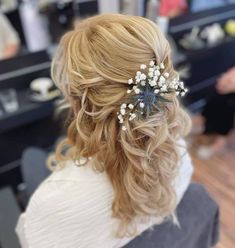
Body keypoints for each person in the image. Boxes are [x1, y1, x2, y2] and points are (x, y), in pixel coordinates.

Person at [16, 14, 193, 248]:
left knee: (30, 158)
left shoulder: (50, 203)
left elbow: (28, 240)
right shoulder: (179, 155)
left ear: (78, 101)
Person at [195, 67, 235, 159]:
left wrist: (230, 85)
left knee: (224, 127)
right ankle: (196, 128)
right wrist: (225, 81)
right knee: (207, 111)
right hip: (220, 94)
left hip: (230, 103)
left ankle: (212, 148)